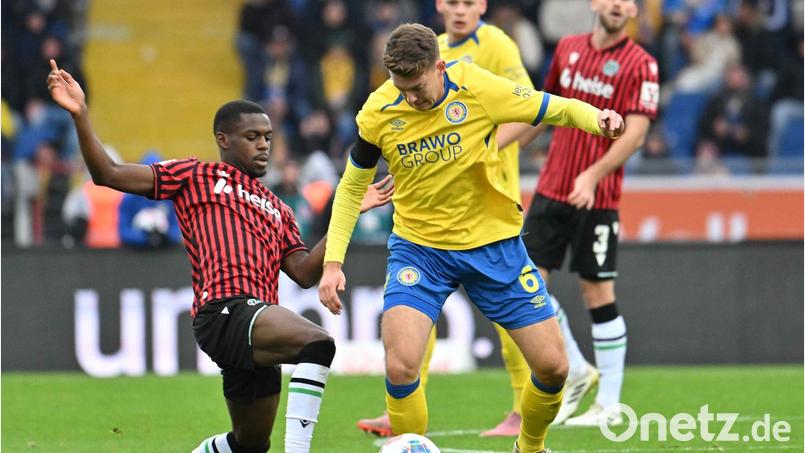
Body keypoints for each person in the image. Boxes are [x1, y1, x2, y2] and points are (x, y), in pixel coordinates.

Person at [46, 59, 393, 453]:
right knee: (318, 344)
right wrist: (80, 113)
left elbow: (303, 272)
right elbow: (107, 173)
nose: (264, 145)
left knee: (249, 445)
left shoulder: (279, 208)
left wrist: (347, 214)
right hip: (224, 310)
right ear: (223, 140)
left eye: (268, 137)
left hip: (256, 322)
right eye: (252, 136)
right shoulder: (196, 176)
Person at [318, 24, 624, 453]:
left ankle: (530, 447)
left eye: (418, 87)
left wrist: (599, 119)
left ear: (439, 68)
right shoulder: (378, 111)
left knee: (554, 367)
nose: (411, 98)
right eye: (402, 88)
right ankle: (410, 446)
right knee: (401, 365)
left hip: (493, 246)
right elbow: (352, 187)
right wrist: (332, 264)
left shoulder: (477, 87)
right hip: (419, 251)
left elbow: (553, 107)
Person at [356, 0, 541, 438]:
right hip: (434, 211)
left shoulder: (496, 44)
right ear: (439, 5)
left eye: (468, 2)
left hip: (487, 201)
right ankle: (403, 405)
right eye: (452, 2)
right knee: (418, 311)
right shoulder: (426, 52)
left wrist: (483, 145)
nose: (460, 10)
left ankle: (521, 408)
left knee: (509, 317)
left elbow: (531, 113)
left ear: (483, 5)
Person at [519, 0, 659, 427]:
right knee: (526, 284)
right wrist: (499, 147)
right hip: (550, 188)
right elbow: (543, 110)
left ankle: (609, 404)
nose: (617, 5)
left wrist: (593, 175)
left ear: (633, 11)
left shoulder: (642, 64)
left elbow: (636, 134)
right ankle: (577, 368)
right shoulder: (567, 48)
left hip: (597, 197)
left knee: (597, 293)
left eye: (626, 1)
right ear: (595, 3)